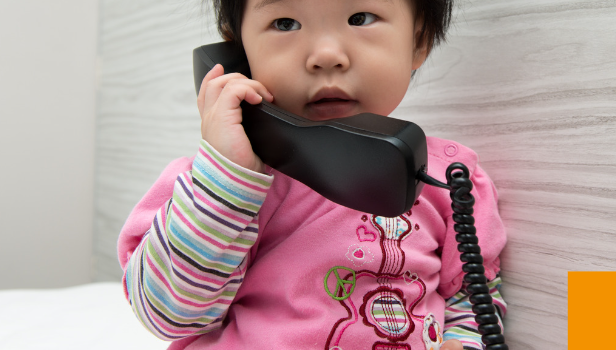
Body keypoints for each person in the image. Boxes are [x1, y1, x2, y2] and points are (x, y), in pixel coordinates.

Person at [116, 0, 507, 349]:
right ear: (240, 53)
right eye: (285, 23)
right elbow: (166, 315)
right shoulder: (214, 185)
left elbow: (472, 300)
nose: (325, 56)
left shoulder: (450, 180)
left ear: (417, 42)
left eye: (360, 17)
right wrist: (229, 178)